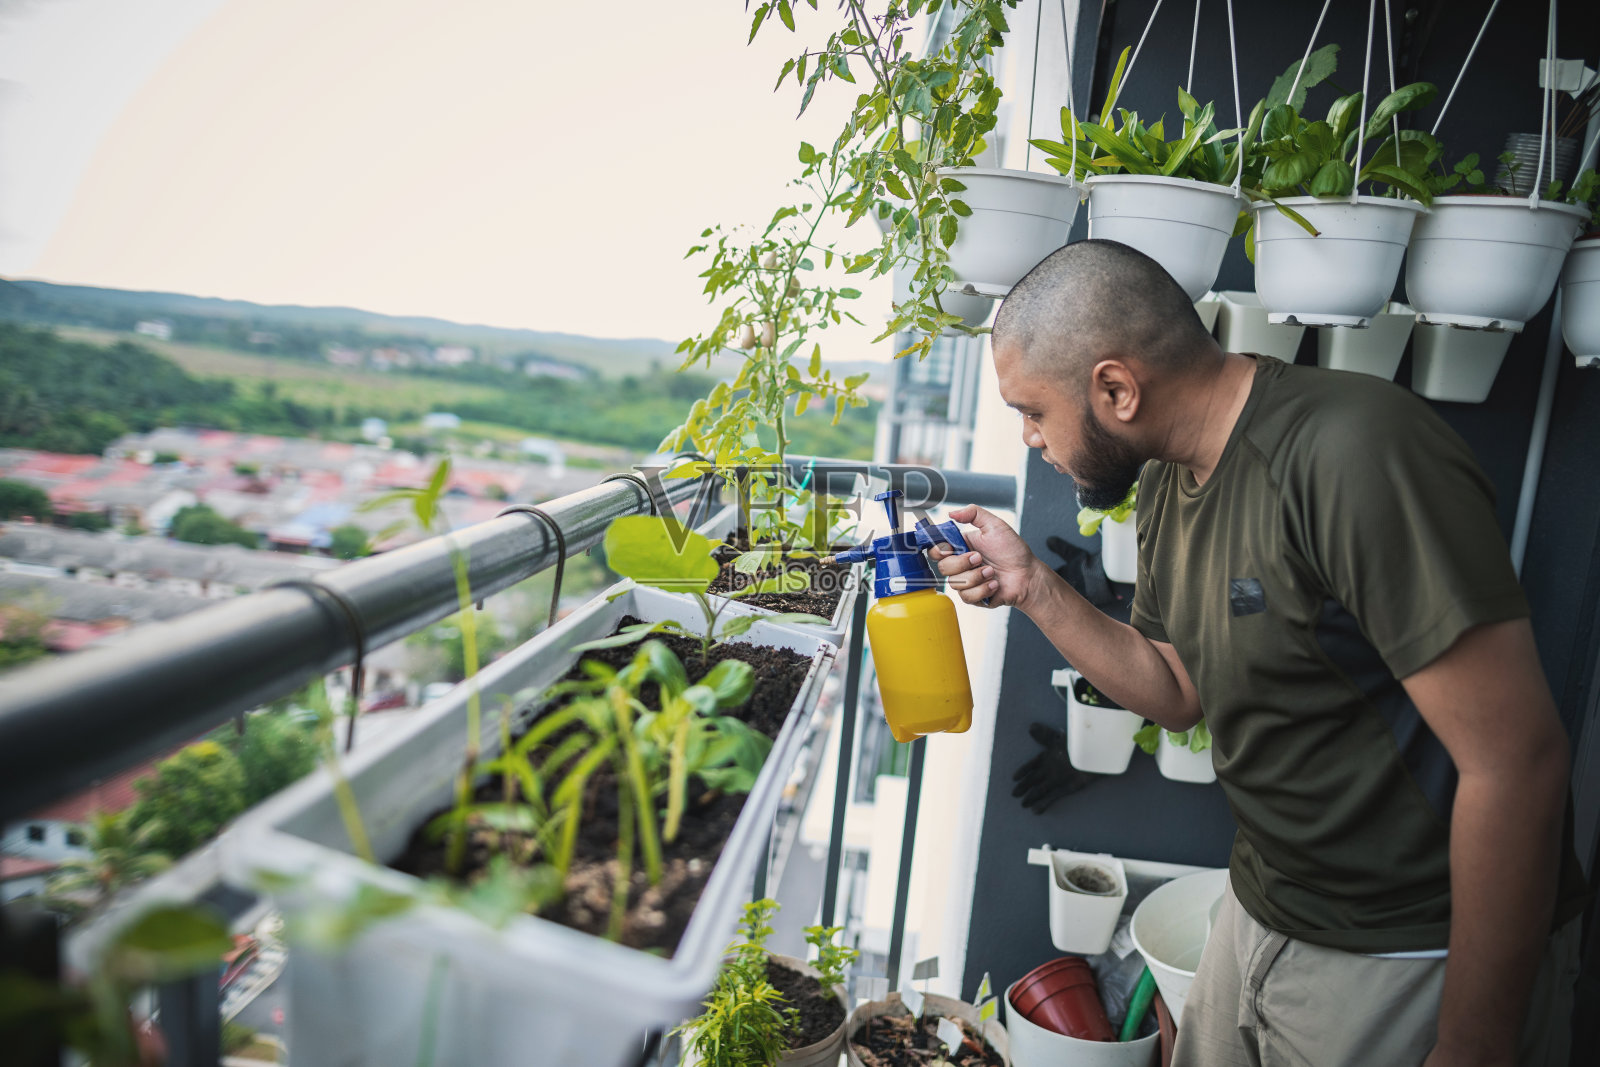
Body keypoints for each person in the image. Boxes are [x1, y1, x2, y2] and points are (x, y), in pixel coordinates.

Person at [932, 239, 1585, 1066]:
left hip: (1403, 948)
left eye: (1032, 410)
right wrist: (1033, 585)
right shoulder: (1171, 475)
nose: (1029, 437)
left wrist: (1477, 1041)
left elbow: (1518, 761)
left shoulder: (1354, 455)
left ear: (1116, 388)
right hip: (1260, 906)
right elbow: (1176, 689)